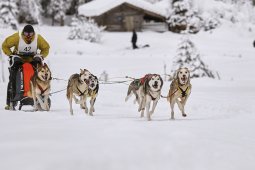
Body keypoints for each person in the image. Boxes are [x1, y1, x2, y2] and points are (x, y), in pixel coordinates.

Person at [2, 24, 50, 110]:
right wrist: (11, 55)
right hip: (18, 60)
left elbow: (46, 48)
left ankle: (42, 96)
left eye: (30, 34)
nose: (28, 36)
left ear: (33, 33)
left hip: (32, 60)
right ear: (23, 33)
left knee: (39, 75)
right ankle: (11, 101)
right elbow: (4, 45)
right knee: (13, 77)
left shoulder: (38, 38)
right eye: (26, 34)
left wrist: (41, 56)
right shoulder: (17, 37)